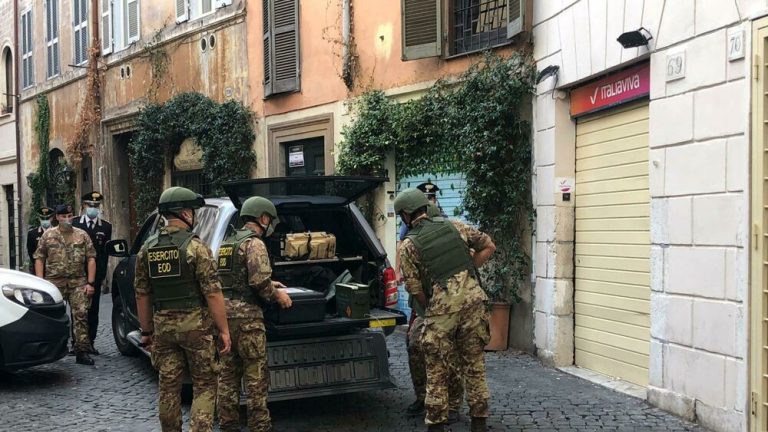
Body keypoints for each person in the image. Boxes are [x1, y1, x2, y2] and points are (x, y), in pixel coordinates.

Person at [395, 188, 496, 432]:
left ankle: (437, 424)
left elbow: (414, 287)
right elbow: (489, 246)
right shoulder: (457, 226)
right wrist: (468, 270)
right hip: (474, 305)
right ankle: (479, 422)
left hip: (441, 312)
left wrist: (432, 302)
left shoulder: (408, 246)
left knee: (437, 368)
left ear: (406, 215)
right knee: (474, 364)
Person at [134, 186, 231, 432]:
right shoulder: (196, 248)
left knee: (168, 386)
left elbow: (142, 293)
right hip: (196, 327)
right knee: (205, 384)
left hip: (164, 329)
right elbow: (213, 292)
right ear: (185, 212)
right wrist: (224, 330)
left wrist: (146, 332)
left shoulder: (147, 248)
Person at [217, 196, 293, 432]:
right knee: (255, 377)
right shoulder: (255, 243)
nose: (270, 224)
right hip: (248, 320)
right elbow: (259, 281)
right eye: (269, 219)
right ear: (262, 218)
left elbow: (232, 279)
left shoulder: (228, 242)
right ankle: (259, 426)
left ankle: (228, 425)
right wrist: (277, 295)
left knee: (228, 376)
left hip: (226, 319)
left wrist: (271, 282)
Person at [406, 203, 464, 423]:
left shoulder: (451, 233)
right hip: (424, 306)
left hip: (449, 304)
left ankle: (454, 403)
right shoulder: (412, 239)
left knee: (450, 353)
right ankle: (423, 397)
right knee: (414, 345)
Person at [34, 204, 97, 366]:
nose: (67, 219)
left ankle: (82, 350)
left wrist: (90, 282)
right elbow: (39, 258)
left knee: (81, 315)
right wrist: (41, 283)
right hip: (54, 282)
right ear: (57, 217)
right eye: (63, 216)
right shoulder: (48, 235)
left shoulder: (81, 235)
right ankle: (50, 349)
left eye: (69, 215)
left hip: (78, 281)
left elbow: (91, 258)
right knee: (51, 316)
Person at [73, 191, 112, 355]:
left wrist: (101, 276)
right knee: (77, 310)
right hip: (76, 273)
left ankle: (90, 342)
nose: (93, 208)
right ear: (84, 206)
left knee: (93, 310)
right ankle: (75, 343)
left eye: (96, 206)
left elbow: (104, 254)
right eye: (90, 205)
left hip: (95, 275)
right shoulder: (75, 224)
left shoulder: (105, 227)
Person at [26, 206, 54, 274]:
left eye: (47, 218)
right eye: (42, 218)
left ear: (52, 218)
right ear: (39, 219)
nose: (45, 221)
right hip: (38, 269)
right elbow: (31, 252)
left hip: (55, 270)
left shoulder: (57, 232)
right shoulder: (32, 234)